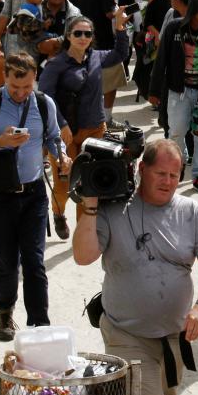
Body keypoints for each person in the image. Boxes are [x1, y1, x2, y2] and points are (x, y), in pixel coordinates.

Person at [72, 139, 198, 395]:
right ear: (142, 169)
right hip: (125, 334)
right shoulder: (113, 208)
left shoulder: (191, 211)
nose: (168, 182)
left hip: (173, 336)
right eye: (160, 174)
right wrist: (90, 206)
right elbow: (83, 256)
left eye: (174, 175)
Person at [0, 52, 66, 340]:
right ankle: (4, 313)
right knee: (8, 261)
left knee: (35, 261)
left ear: (35, 81)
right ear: (5, 79)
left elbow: (53, 137)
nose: (21, 94)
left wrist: (62, 157)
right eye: (14, 88)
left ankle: (39, 325)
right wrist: (1, 142)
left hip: (34, 192)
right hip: (0, 194)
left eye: (26, 88)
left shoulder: (44, 103)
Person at [38, 13, 130, 238]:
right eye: (77, 33)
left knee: (89, 183)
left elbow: (120, 54)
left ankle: (84, 231)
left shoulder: (97, 57)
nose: (82, 37)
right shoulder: (56, 65)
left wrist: (120, 28)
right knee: (63, 184)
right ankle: (58, 214)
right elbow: (44, 99)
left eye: (87, 33)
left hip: (95, 130)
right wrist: (61, 125)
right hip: (65, 134)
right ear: (68, 36)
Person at [148, 0, 198, 193]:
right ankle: (175, 169)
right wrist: (154, 91)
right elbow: (161, 59)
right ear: (193, 10)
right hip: (178, 91)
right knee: (176, 132)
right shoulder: (174, 28)